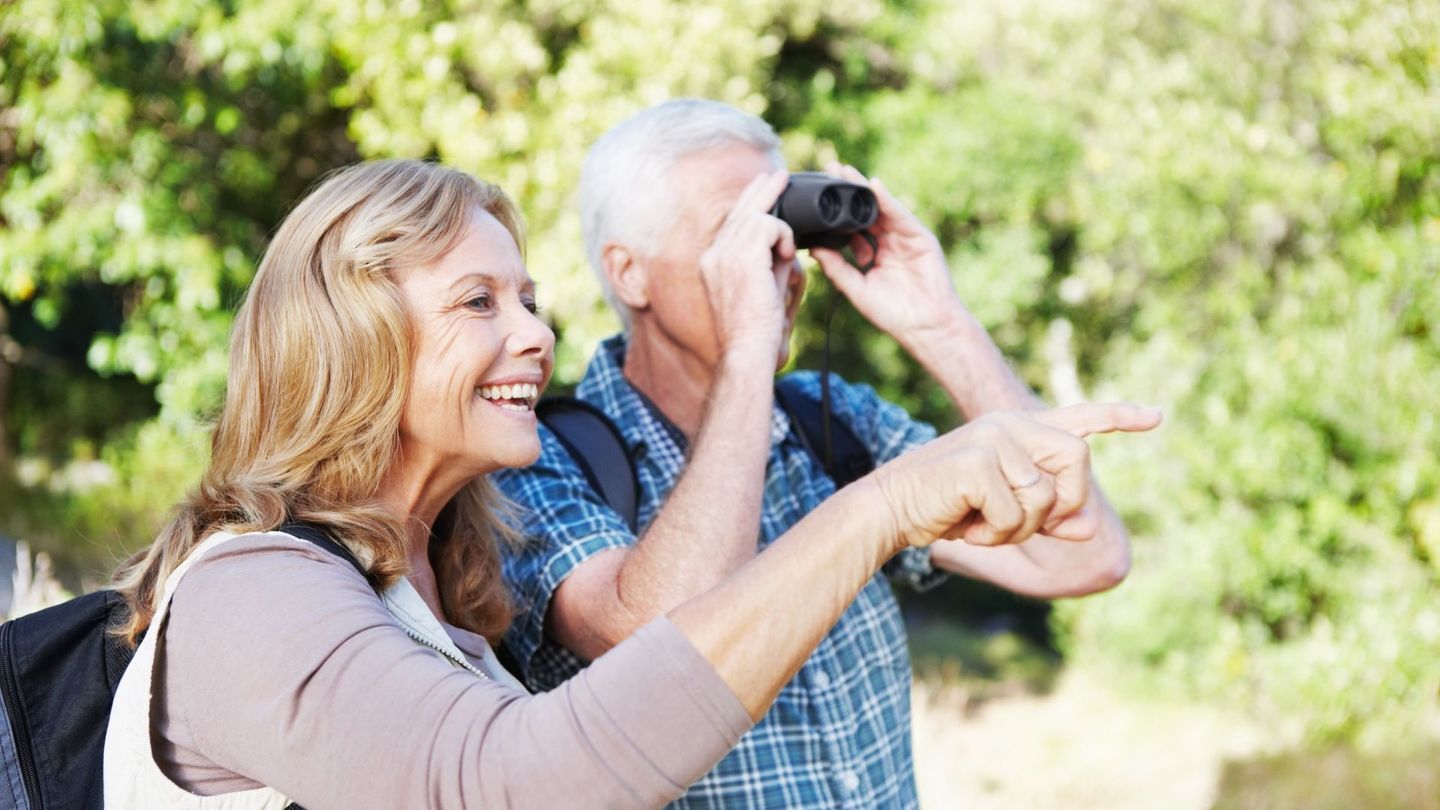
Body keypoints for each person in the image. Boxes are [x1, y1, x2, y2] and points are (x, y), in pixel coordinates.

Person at [100, 158, 1154, 810]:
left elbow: (1086, 553)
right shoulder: (255, 587)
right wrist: (872, 510)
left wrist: (938, 321)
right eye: (479, 302)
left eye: (529, 298)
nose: (535, 333)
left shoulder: (447, 577)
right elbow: (517, 779)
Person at [493, 99, 1159, 808]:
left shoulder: (831, 422)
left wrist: (941, 324)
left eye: (784, 228)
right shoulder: (535, 457)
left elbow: (1086, 556)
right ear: (629, 274)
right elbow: (665, 650)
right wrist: (749, 343)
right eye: (739, 233)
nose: (779, 262)